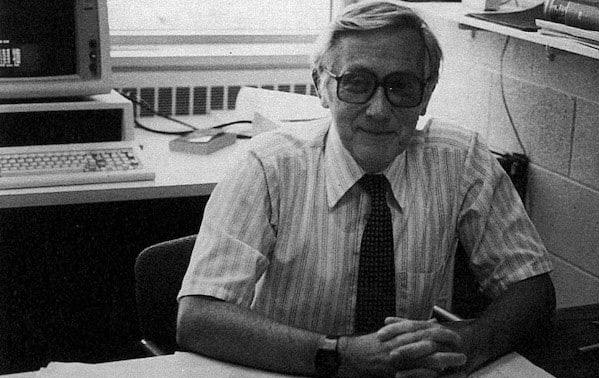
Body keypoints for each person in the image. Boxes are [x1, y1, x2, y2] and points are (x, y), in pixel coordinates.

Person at [176, 1, 556, 377]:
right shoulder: (267, 167)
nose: (378, 109)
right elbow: (198, 317)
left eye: (401, 86)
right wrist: (338, 355)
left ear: (426, 94)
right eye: (356, 83)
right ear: (322, 86)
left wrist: (468, 344)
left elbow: (533, 289)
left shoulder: (462, 162)